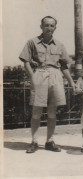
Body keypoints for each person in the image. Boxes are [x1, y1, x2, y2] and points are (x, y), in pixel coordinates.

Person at [19, 16, 75, 153]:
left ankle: (49, 141)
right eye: (46, 25)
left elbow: (64, 66)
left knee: (52, 112)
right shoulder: (32, 42)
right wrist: (32, 77)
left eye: (52, 26)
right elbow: (25, 61)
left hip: (55, 76)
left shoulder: (60, 45)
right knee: (37, 111)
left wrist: (72, 82)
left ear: (55, 28)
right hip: (39, 75)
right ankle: (34, 141)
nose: (49, 28)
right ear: (41, 27)